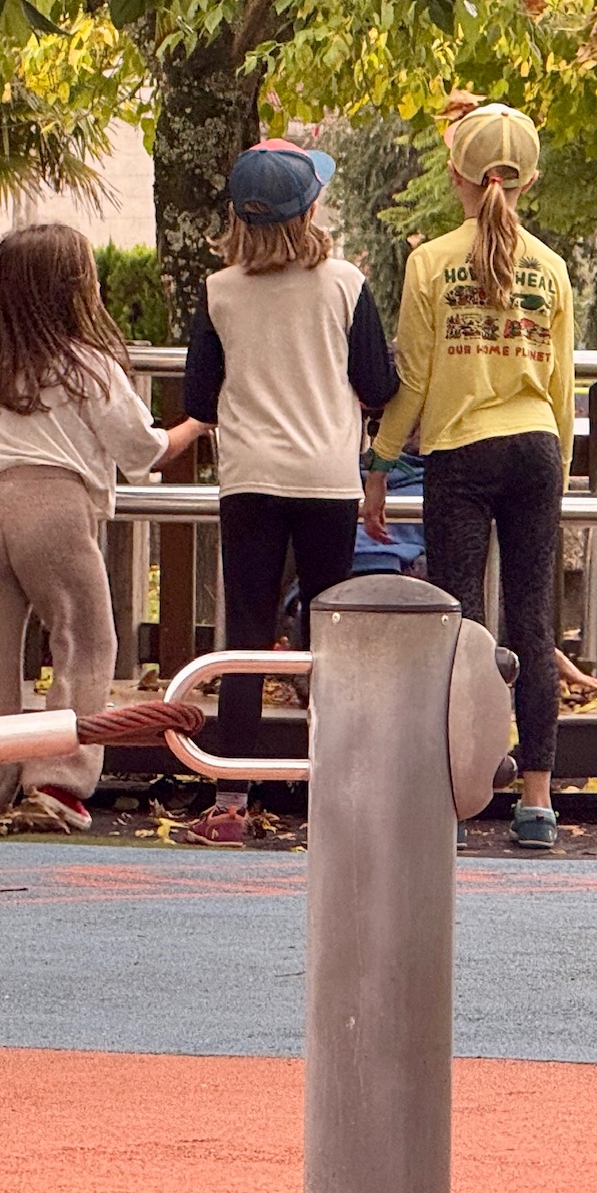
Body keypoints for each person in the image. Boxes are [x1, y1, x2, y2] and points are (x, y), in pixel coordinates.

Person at [364, 99, 597, 852]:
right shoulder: (552, 269)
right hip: (536, 447)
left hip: (460, 454)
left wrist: (380, 463)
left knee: (461, 625)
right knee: (532, 622)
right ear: (529, 181)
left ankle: (459, 795)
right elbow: (562, 385)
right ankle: (537, 801)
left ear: (454, 175)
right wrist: (560, 463)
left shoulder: (431, 262)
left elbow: (413, 380)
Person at [0, 223, 203, 831]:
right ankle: (57, 780)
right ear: (78, 289)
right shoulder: (91, 369)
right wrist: (196, 425)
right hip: (53, 506)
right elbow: (144, 451)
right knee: (84, 643)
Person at [178, 139, 400, 848]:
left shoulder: (219, 292)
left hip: (249, 478)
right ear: (309, 210)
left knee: (246, 635)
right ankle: (338, 790)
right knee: (329, 635)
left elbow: (198, 399)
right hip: (327, 479)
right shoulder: (345, 285)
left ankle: (231, 798)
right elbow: (377, 384)